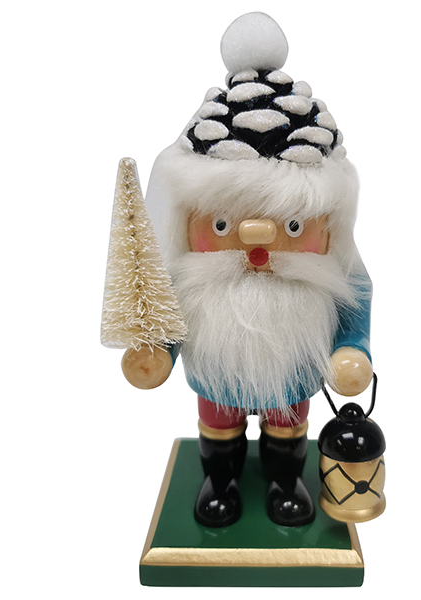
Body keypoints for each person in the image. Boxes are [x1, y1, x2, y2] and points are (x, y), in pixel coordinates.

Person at [120, 13, 373, 528]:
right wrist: (157, 353)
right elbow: (168, 318)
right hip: (218, 379)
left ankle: (285, 480)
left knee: (288, 428)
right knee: (219, 425)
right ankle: (221, 480)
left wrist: (351, 352)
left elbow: (354, 312)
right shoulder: (189, 279)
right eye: (222, 225)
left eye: (293, 226)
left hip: (292, 374)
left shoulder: (334, 274)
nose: (258, 245)